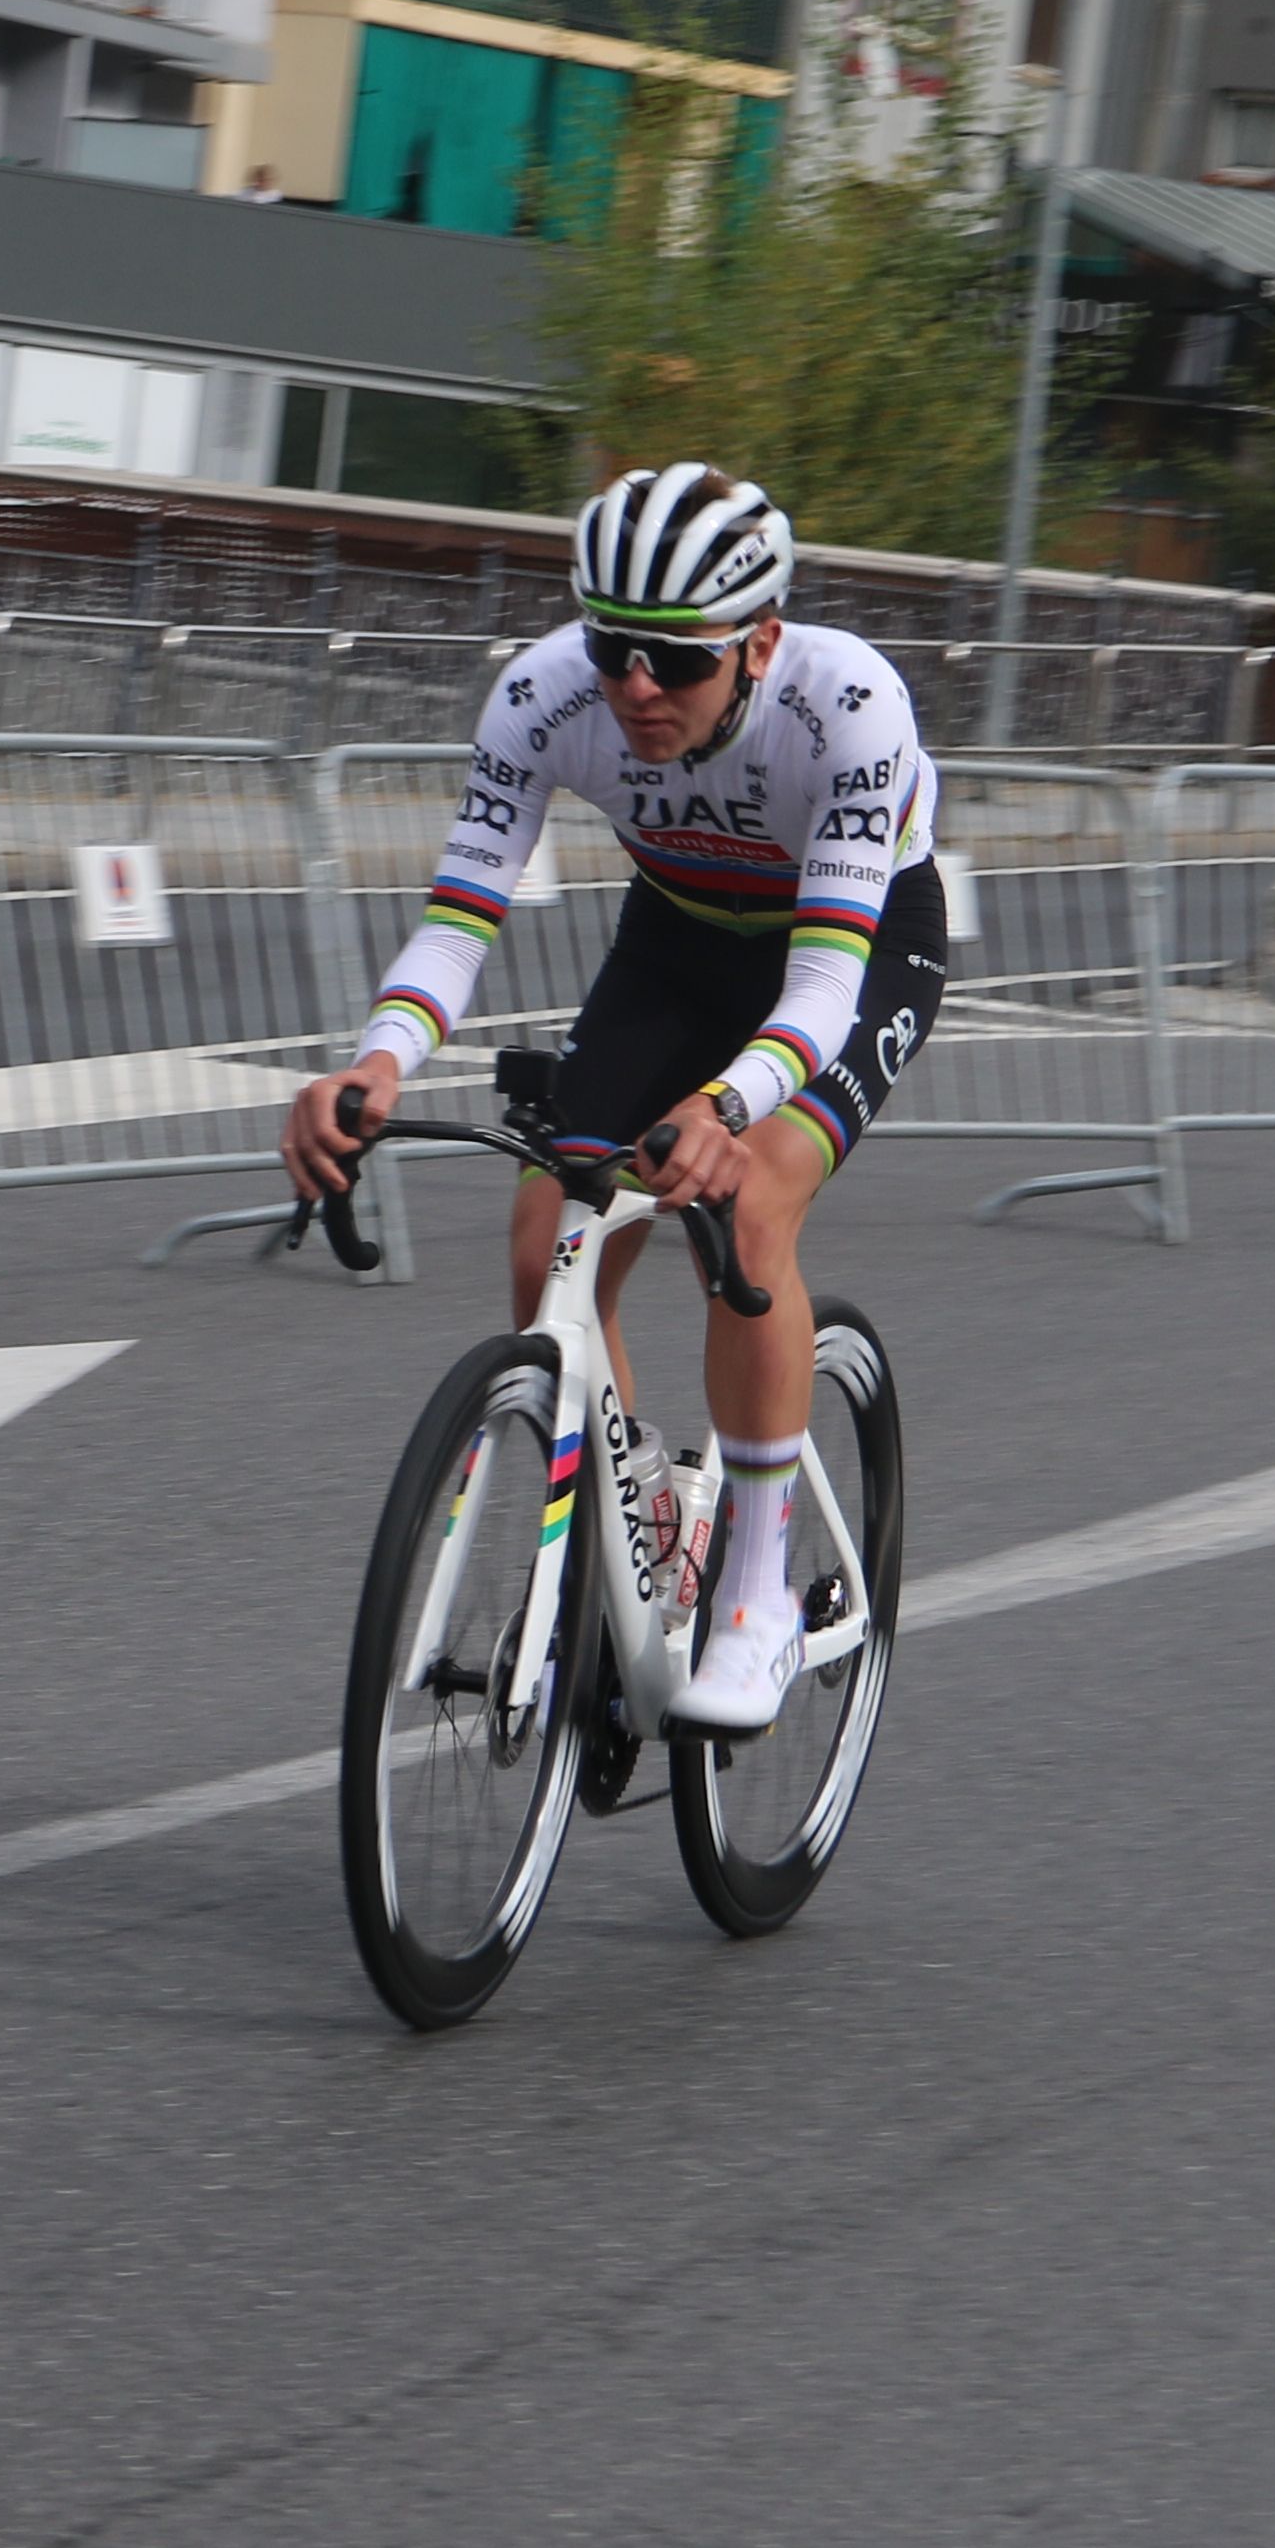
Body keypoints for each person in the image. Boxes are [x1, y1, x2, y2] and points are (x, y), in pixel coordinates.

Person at [278, 461, 949, 1734]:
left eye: (675, 662)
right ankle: (645, 1514)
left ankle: (752, 1588)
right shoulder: (542, 696)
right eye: (612, 648)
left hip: (850, 949)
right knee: (550, 1234)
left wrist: (731, 1111)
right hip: (679, 935)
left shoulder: (848, 704)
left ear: (759, 643)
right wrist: (373, 1064)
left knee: (745, 1215)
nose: (636, 687)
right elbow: (460, 918)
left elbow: (817, 989)